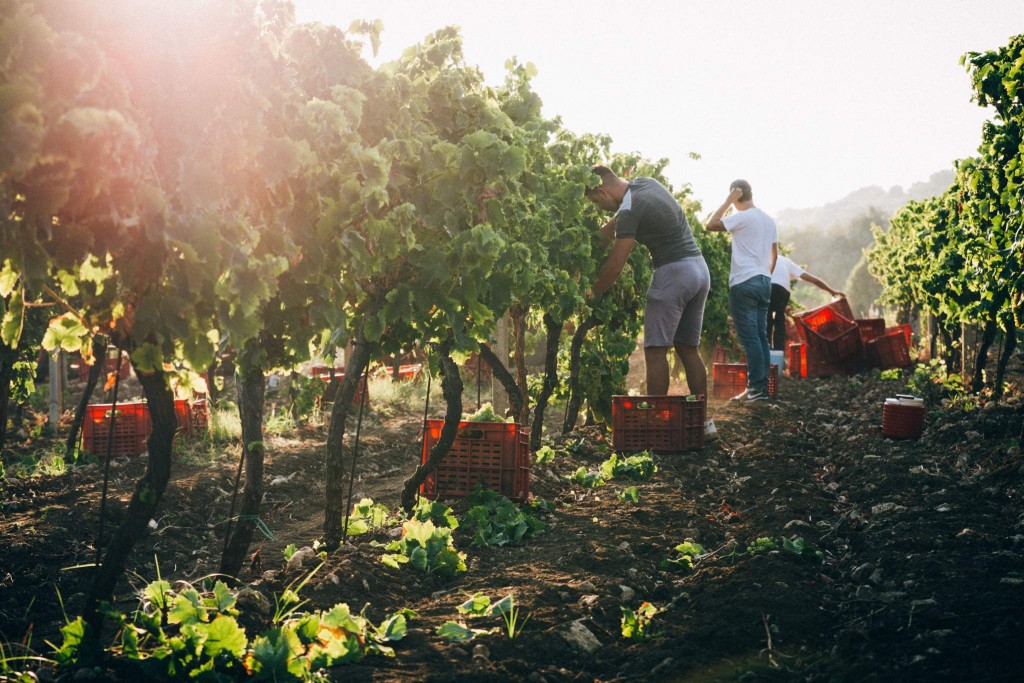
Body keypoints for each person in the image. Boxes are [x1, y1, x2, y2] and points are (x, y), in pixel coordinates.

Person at [584, 165, 717, 440]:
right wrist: (581, 248)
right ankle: (703, 424)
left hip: (673, 274)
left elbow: (615, 265)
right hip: (699, 270)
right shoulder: (645, 184)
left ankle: (656, 425)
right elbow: (607, 232)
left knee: (656, 350)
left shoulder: (631, 209)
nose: (599, 208)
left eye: (597, 202)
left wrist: (591, 293)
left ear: (602, 190)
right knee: (687, 348)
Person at [705, 180, 777, 402]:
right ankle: (760, 389)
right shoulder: (768, 220)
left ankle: (756, 390)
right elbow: (775, 254)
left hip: (744, 282)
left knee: (750, 339)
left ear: (737, 195)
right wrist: (765, 275)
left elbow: (710, 224)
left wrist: (728, 201)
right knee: (761, 337)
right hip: (764, 280)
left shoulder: (744, 217)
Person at [769, 254, 845, 350]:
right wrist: (832, 291)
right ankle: (778, 354)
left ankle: (765, 352)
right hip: (782, 292)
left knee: (766, 320)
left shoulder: (761, 257)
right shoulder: (786, 262)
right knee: (779, 320)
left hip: (765, 288)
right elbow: (815, 280)